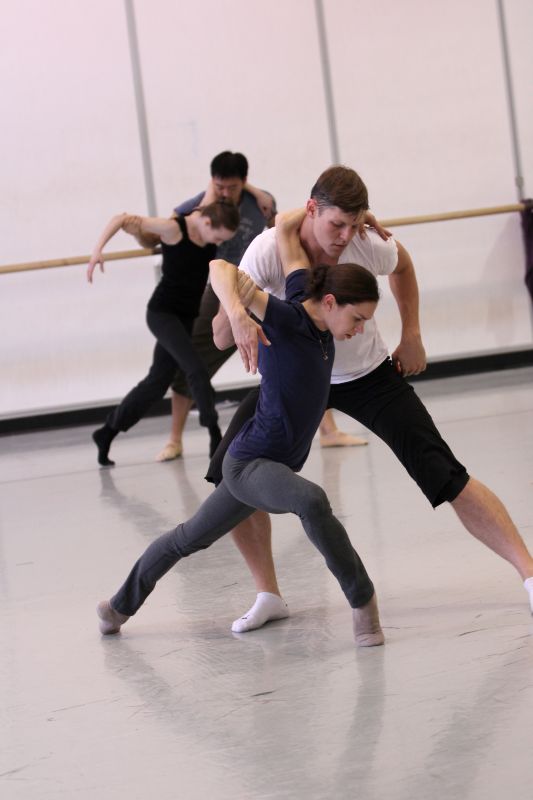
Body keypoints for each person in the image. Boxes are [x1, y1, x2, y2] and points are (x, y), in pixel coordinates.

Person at [208, 164, 533, 633]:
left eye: (353, 224)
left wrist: (412, 332)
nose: (343, 237)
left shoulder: (364, 243)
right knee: (233, 474)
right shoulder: (269, 249)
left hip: (366, 376)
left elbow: (403, 265)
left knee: (443, 471)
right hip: (295, 382)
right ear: (312, 210)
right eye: (336, 224)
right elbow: (220, 333)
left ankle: (528, 574)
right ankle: (268, 594)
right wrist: (237, 311)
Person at [96, 209, 385, 647]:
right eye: (357, 319)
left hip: (265, 463)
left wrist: (353, 214)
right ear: (331, 303)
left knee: (186, 539)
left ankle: (116, 607)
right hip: (250, 464)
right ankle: (363, 604)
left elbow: (286, 229)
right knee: (311, 500)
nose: (360, 329)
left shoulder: (307, 296)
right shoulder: (285, 318)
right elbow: (219, 267)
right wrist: (236, 313)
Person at [156, 150, 374, 462]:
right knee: (199, 358)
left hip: (252, 283)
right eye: (220, 186)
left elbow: (288, 221)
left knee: (304, 352)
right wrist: (236, 312)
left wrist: (355, 217)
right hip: (226, 284)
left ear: (244, 182)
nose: (226, 193)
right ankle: (175, 437)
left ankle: (328, 431)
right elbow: (211, 253)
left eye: (233, 186)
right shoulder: (204, 203)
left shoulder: (261, 202)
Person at [87, 201, 239, 466]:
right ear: (206, 223)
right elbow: (121, 218)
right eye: (218, 238)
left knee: (156, 384)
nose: (218, 243)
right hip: (162, 314)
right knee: (196, 369)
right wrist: (97, 251)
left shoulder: (207, 226)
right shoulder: (172, 229)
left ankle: (106, 432)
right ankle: (215, 438)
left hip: (186, 318)